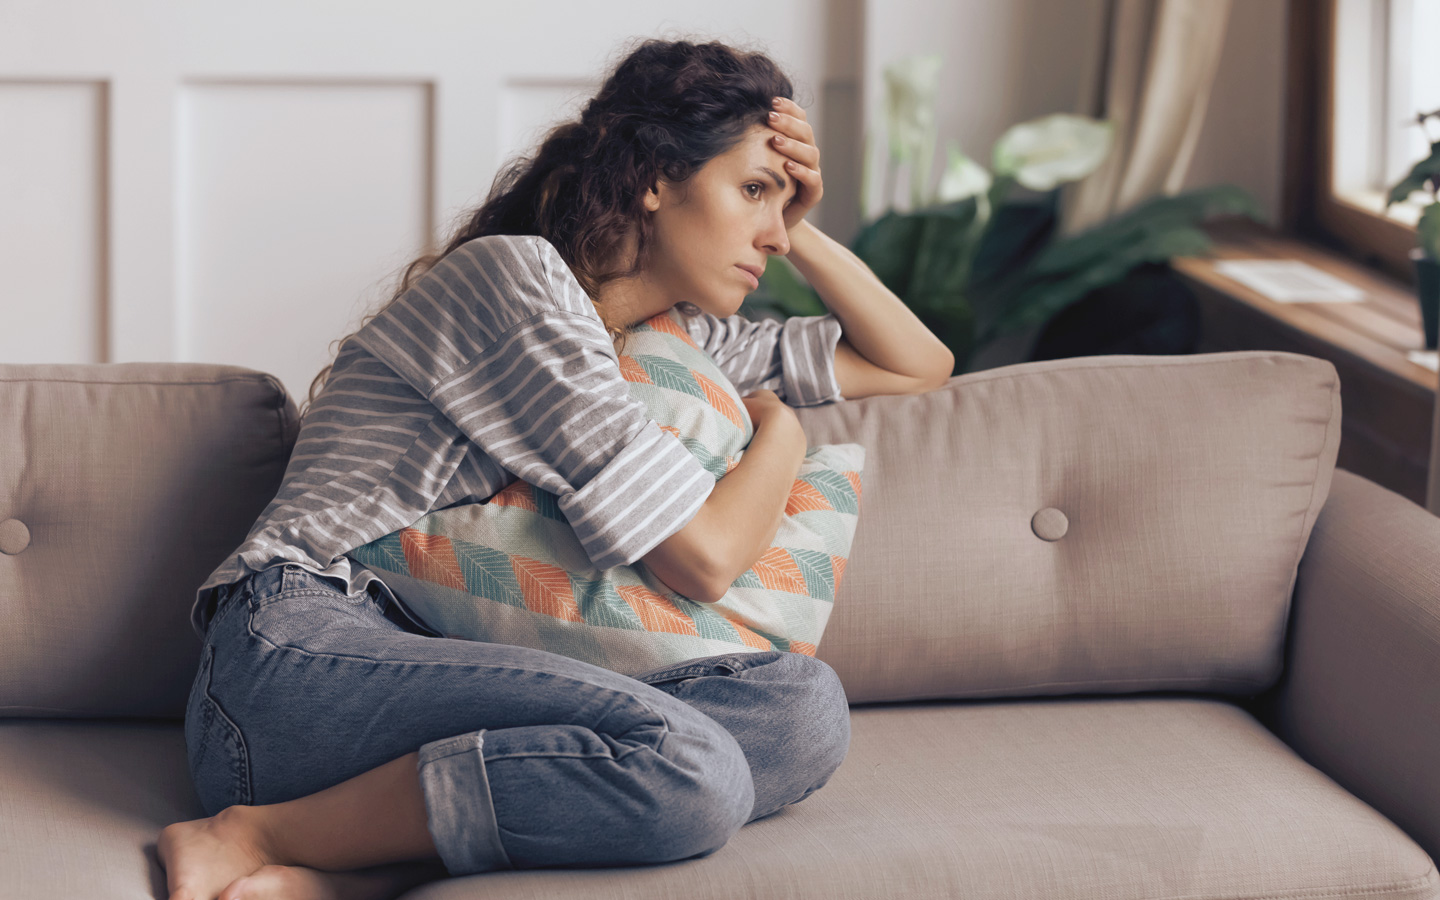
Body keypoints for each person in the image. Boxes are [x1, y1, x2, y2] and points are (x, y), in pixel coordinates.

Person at [157, 37, 954, 900]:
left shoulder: (674, 339)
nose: (769, 230)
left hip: (449, 658)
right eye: (753, 190)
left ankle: (360, 865)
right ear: (655, 176)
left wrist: (799, 229)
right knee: (692, 768)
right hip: (301, 657)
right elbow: (706, 558)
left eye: (782, 204)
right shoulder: (521, 282)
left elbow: (919, 364)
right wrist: (784, 435)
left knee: (798, 711)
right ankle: (250, 834)